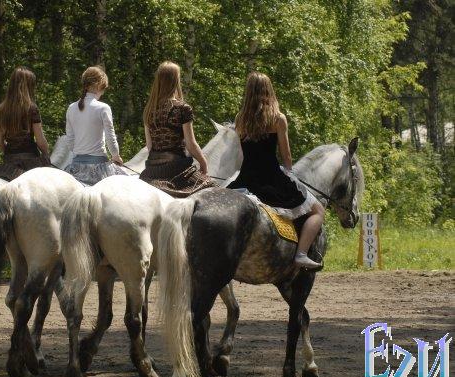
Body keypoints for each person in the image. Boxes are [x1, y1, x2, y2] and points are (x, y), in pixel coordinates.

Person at [228, 71, 325, 269]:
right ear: (268, 90)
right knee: (317, 211)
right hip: (271, 179)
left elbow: (239, 154)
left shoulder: (240, 119)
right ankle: (301, 254)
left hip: (246, 179)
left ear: (248, 92)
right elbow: (286, 156)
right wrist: (290, 175)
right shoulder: (277, 118)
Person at [139, 61, 215, 198]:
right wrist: (203, 163)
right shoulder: (182, 109)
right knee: (213, 189)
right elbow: (191, 144)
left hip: (151, 171)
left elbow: (150, 146)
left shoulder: (149, 110)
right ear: (176, 81)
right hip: (177, 169)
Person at [63, 66, 125, 185]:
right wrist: (116, 156)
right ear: (99, 86)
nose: (103, 92)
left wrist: (81, 151)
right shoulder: (103, 108)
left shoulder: (71, 108)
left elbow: (70, 141)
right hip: (99, 167)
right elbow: (110, 137)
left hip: (76, 167)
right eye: (103, 88)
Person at [0, 66, 51, 181]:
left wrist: (9, 152)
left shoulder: (1, 110)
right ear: (29, 86)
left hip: (9, 163)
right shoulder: (32, 109)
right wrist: (46, 155)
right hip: (31, 161)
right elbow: (40, 142)